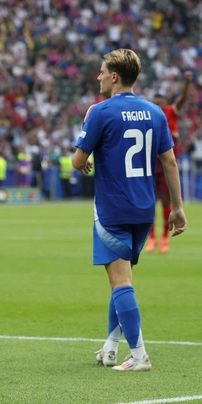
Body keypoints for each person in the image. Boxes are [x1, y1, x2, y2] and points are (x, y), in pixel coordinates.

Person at [72, 49, 187, 372]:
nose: (98, 76)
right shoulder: (155, 112)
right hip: (144, 209)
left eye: (101, 71)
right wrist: (177, 208)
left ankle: (138, 355)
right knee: (121, 279)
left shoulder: (100, 111)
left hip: (113, 209)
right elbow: (170, 162)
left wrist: (83, 160)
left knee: (120, 282)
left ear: (114, 76)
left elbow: (78, 160)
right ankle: (110, 348)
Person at [147, 71, 193, 253]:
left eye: (158, 103)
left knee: (166, 201)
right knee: (149, 202)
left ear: (165, 103)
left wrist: (187, 83)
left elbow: (181, 99)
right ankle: (151, 238)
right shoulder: (149, 115)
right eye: (154, 103)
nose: (156, 106)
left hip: (166, 162)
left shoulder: (170, 112)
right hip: (151, 162)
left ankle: (165, 236)